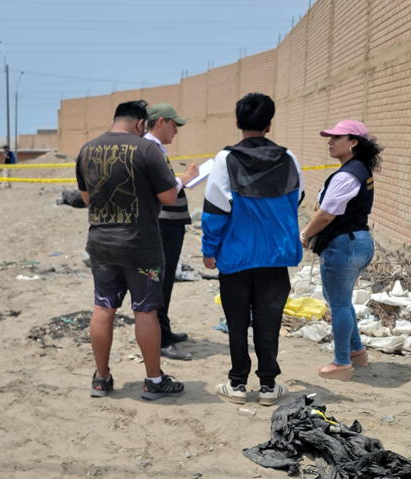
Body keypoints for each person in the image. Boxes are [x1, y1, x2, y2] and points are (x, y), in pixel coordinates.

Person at [76, 100, 198, 400]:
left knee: (103, 307)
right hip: (140, 244)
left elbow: (87, 198)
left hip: (102, 243)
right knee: (145, 310)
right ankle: (154, 381)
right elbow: (169, 197)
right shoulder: (147, 150)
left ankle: (101, 379)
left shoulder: (87, 150)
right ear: (142, 124)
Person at [201, 92, 304, 406]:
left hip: (235, 258)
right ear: (269, 124)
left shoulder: (225, 160)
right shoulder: (288, 158)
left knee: (236, 323)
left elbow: (214, 212)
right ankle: (269, 386)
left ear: (237, 121)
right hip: (274, 257)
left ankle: (236, 385)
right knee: (268, 322)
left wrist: (209, 249)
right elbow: (296, 199)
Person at [300, 120, 381, 381]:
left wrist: (305, 234)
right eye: (329, 137)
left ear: (354, 142)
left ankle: (342, 363)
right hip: (357, 241)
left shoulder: (348, 174)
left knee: (339, 304)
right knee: (341, 301)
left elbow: (326, 214)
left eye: (337, 137)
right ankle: (357, 352)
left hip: (344, 244)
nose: (330, 142)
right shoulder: (359, 170)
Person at [144, 103, 192, 361]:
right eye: (174, 125)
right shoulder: (151, 149)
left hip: (170, 224)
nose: (176, 130)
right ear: (161, 122)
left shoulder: (155, 148)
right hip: (162, 225)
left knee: (166, 280)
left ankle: (164, 331)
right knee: (159, 282)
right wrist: (185, 179)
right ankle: (160, 338)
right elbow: (161, 190)